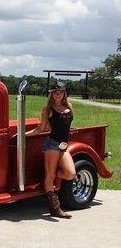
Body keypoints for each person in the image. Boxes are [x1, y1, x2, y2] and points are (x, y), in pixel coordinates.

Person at [25, 80, 76, 218]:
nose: (57, 95)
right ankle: (55, 208)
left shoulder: (69, 106)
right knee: (51, 176)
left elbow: (65, 124)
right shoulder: (48, 109)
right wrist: (23, 135)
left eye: (60, 92)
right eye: (55, 93)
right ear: (51, 94)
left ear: (64, 93)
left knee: (70, 173)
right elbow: (41, 128)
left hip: (64, 146)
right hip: (52, 144)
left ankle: (46, 178)